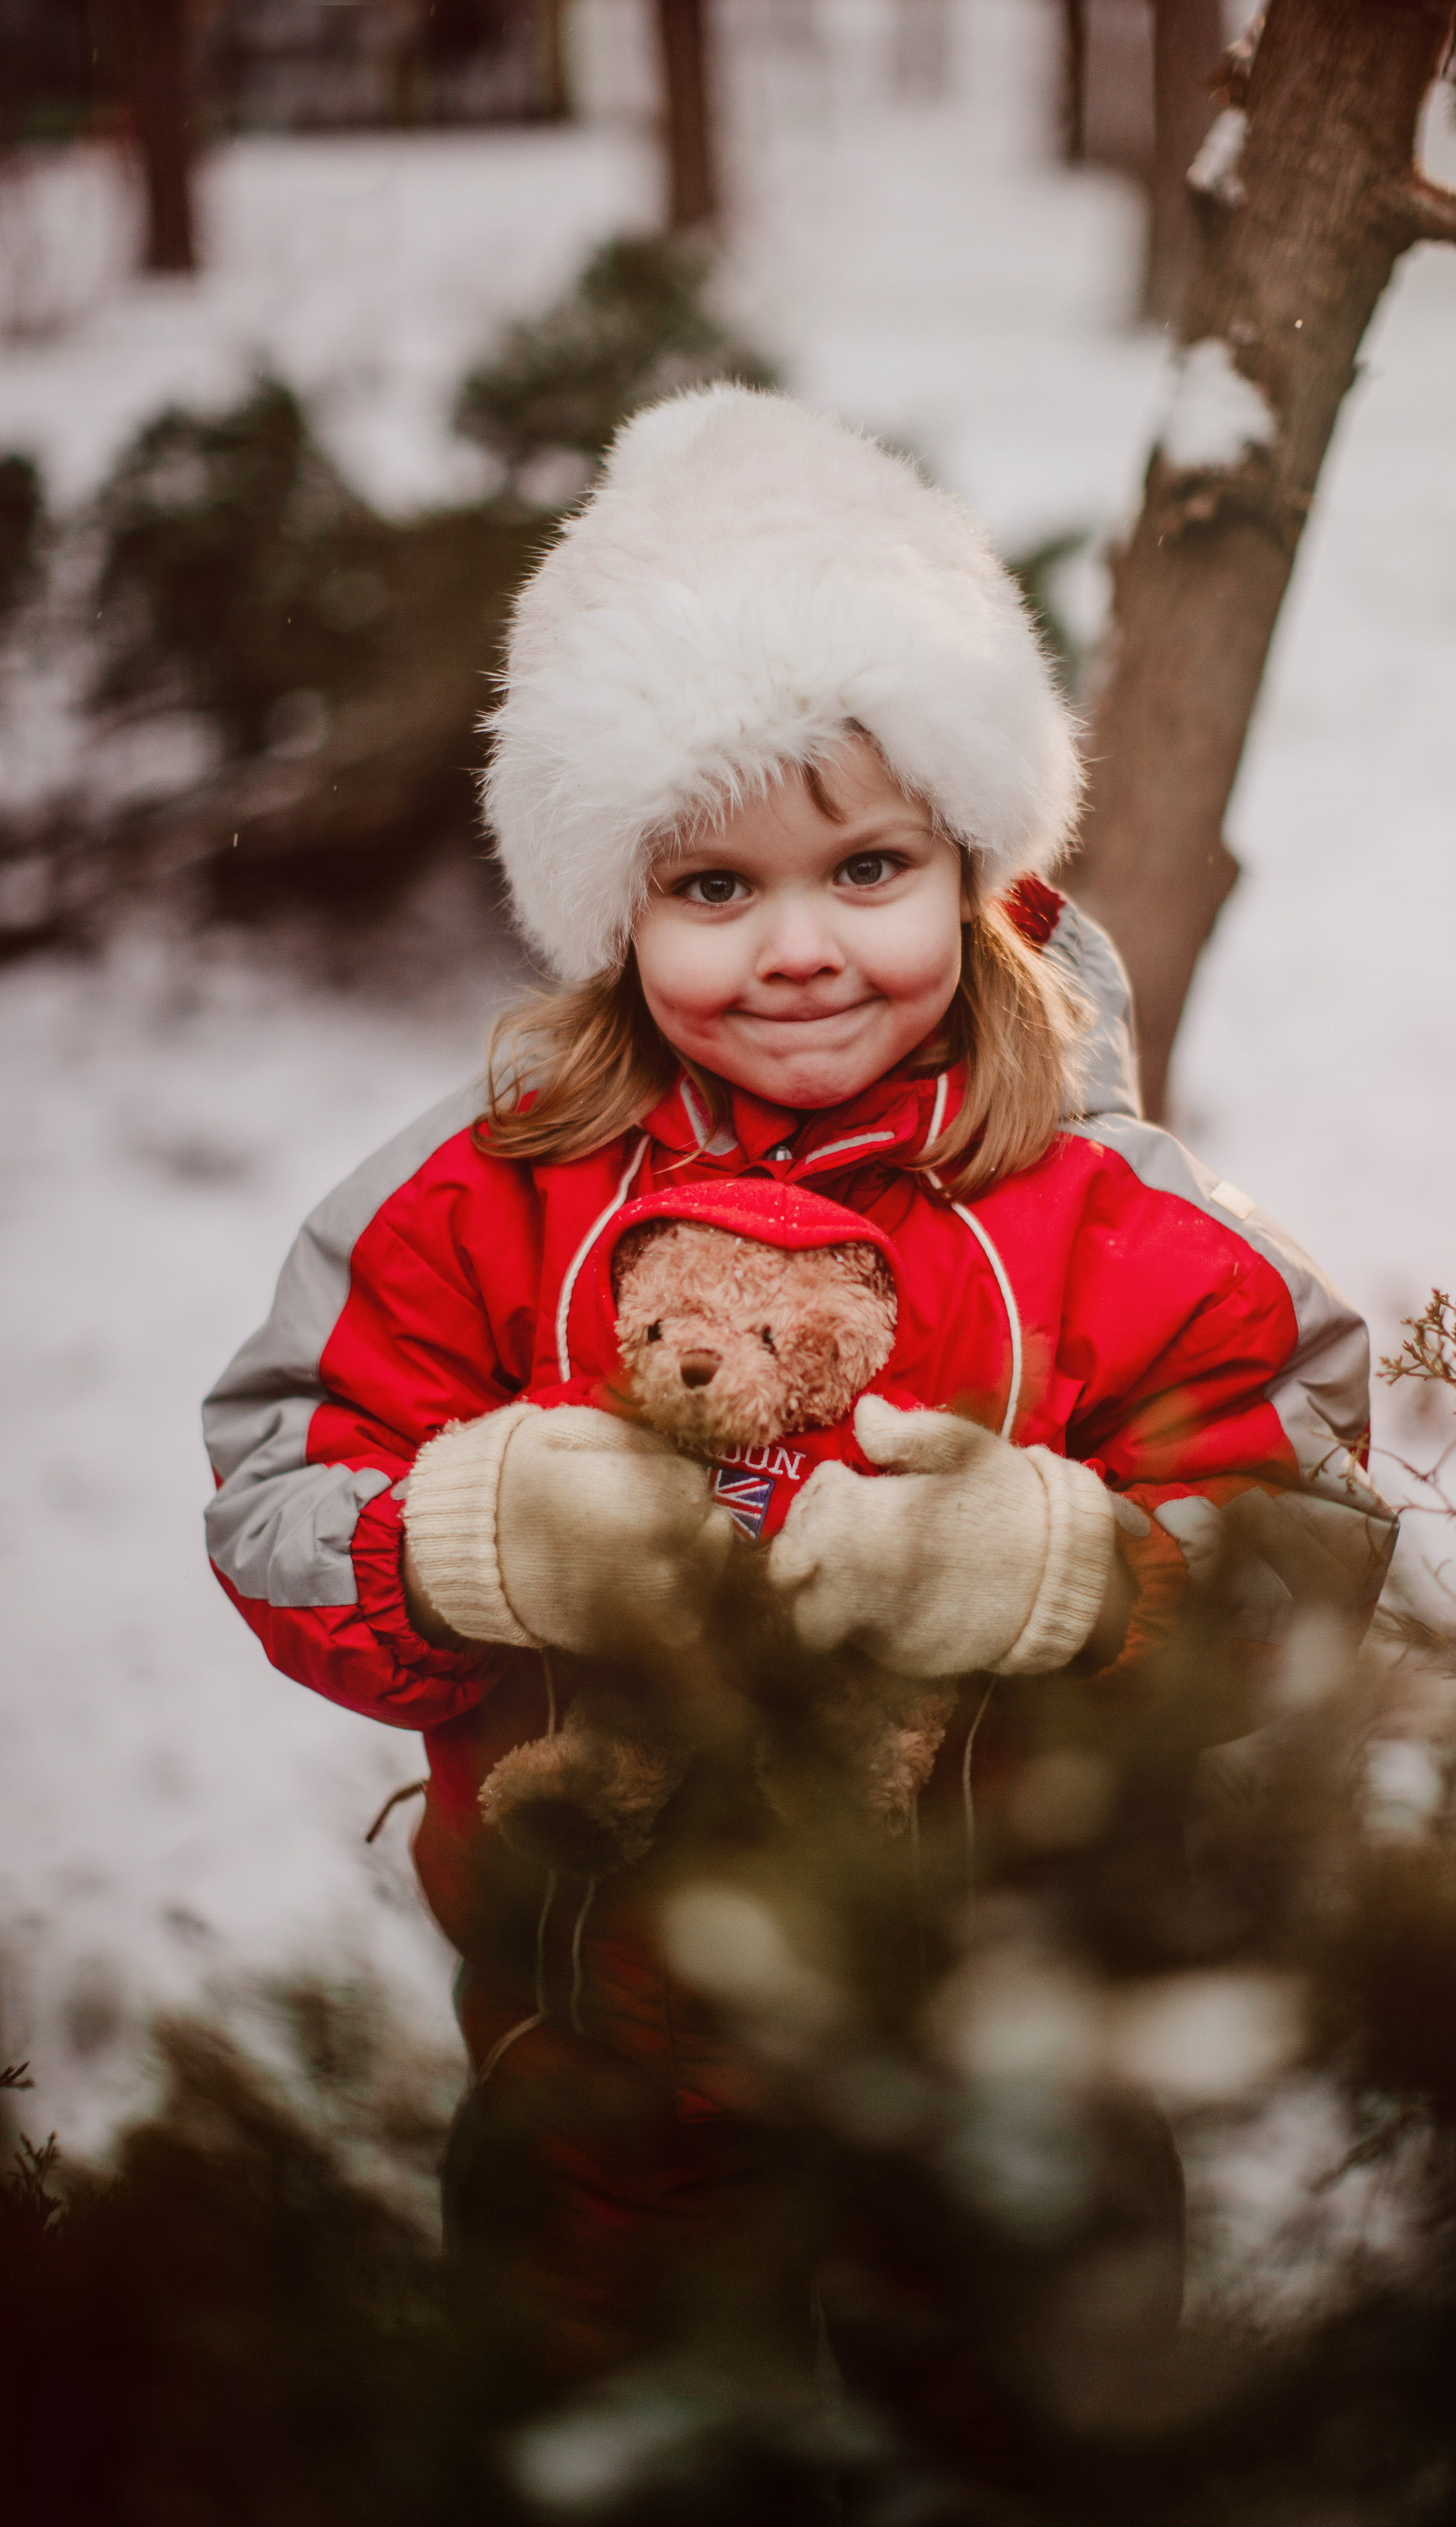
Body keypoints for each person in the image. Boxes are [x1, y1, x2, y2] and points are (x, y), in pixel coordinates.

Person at [203, 385, 1392, 2388]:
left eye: (865, 867)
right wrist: (457, 1540)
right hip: (598, 2089)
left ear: (976, 861)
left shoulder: (1109, 1214)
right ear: (611, 911)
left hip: (1021, 2084)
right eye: (712, 888)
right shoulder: (494, 1192)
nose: (800, 952)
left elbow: (1314, 1545)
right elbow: (272, 1495)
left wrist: (1086, 1576)